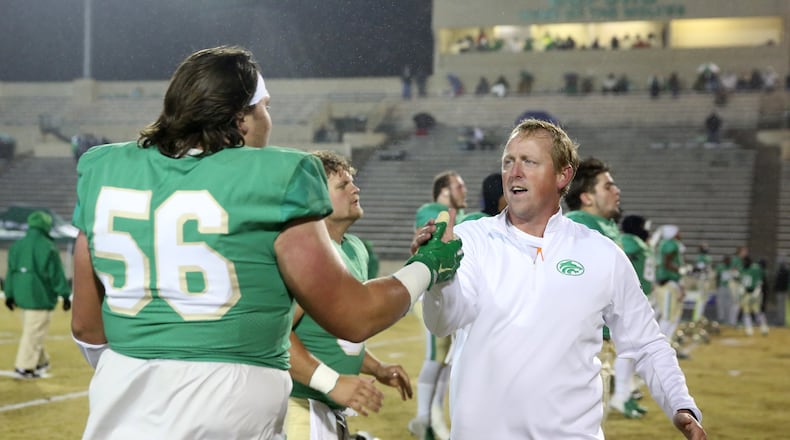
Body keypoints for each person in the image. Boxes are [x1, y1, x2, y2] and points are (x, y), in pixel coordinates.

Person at [69, 46, 463, 440]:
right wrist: (427, 266)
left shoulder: (104, 168)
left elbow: (86, 326)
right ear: (240, 117)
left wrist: (143, 370)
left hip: (119, 408)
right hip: (226, 413)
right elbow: (354, 315)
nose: (268, 119)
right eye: (265, 107)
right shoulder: (278, 175)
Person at [420, 118, 707, 439]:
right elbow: (442, 322)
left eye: (528, 161)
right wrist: (440, 280)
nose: (514, 172)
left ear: (563, 174)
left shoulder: (601, 253)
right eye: (508, 162)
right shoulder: (471, 239)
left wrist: (681, 405)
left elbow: (647, 343)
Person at [285, 151, 413, 439]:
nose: (355, 189)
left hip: (328, 411)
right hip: (300, 407)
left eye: (352, 182)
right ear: (314, 199)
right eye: (342, 186)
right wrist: (332, 382)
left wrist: (376, 368)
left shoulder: (355, 249)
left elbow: (337, 336)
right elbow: (274, 336)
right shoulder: (307, 253)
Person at [565, 157, 648, 418]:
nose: (616, 190)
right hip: (581, 344)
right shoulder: (578, 224)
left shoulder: (604, 227)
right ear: (587, 197)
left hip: (600, 340)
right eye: (608, 186)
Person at [409, 170, 468, 440]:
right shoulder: (431, 210)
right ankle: (422, 418)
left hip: (453, 293)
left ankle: (434, 414)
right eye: (459, 186)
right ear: (444, 190)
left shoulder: (462, 215)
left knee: (447, 359)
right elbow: (432, 241)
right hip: (434, 293)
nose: (464, 190)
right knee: (435, 357)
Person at [5, 210, 72, 379]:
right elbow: (56, 274)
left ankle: (42, 362)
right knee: (33, 333)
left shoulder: (17, 246)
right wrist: (64, 295)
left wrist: (9, 294)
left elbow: (11, 273)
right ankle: (25, 367)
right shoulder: (48, 246)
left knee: (32, 331)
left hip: (22, 297)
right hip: (40, 298)